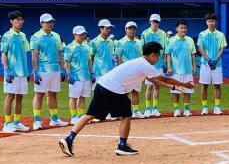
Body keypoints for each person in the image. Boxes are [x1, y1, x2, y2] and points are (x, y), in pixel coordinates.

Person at [59, 42, 194, 157]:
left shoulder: (139, 63)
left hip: (102, 85)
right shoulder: (145, 65)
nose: (158, 59)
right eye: (158, 56)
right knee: (126, 114)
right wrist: (184, 84)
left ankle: (69, 139)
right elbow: (163, 78)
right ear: (152, 55)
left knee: (89, 115)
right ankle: (122, 146)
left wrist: (174, 86)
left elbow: (154, 80)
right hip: (114, 89)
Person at [30, 13, 68, 130]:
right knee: (39, 94)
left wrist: (62, 69)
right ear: (41, 23)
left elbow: (60, 54)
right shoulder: (36, 37)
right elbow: (34, 56)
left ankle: (54, 119)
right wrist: (35, 71)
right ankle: (36, 121)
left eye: (51, 22)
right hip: (42, 70)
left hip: (55, 70)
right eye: (47, 22)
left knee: (53, 94)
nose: (50, 24)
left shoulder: (56, 36)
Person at [1, 11, 30, 132]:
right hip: (12, 72)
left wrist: (27, 72)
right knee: (10, 96)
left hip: (22, 72)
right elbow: (4, 54)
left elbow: (25, 52)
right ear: (11, 21)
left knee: (20, 97)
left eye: (22, 19)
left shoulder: (23, 35)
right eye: (18, 20)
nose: (20, 22)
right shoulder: (6, 35)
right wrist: (7, 70)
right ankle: (7, 123)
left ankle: (17, 122)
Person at [197, 13, 227, 115]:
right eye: (209, 21)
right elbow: (201, 48)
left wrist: (216, 59)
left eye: (212, 21)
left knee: (217, 85)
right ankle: (204, 107)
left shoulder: (220, 35)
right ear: (206, 22)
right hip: (205, 64)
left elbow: (222, 48)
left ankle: (217, 107)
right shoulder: (202, 34)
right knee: (204, 86)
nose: (211, 23)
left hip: (217, 65)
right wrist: (208, 60)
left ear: (215, 22)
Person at [64, 26, 94, 125]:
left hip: (86, 77)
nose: (82, 36)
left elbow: (89, 61)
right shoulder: (69, 47)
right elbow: (67, 62)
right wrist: (69, 75)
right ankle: (74, 117)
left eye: (83, 34)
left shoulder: (86, 46)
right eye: (80, 34)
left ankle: (80, 116)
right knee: (73, 97)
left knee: (82, 97)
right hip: (75, 77)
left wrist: (92, 73)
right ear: (75, 35)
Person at [166, 21, 196, 117]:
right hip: (175, 70)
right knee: (175, 91)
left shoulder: (190, 40)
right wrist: (169, 67)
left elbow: (192, 55)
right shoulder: (171, 40)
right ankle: (176, 110)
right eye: (181, 28)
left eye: (185, 28)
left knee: (187, 91)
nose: (183, 30)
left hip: (188, 70)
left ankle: (186, 110)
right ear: (177, 29)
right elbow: (168, 55)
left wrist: (194, 67)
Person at [115, 21, 145, 118]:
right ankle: (123, 111)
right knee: (124, 92)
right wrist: (120, 70)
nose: (132, 30)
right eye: (130, 28)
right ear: (126, 30)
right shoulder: (121, 42)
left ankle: (135, 111)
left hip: (137, 71)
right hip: (125, 71)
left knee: (135, 91)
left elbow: (142, 56)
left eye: (133, 29)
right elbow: (118, 57)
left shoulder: (140, 42)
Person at [141, 14, 168, 118]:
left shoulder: (163, 34)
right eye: (153, 21)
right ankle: (147, 109)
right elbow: (142, 50)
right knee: (149, 86)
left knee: (157, 86)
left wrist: (165, 61)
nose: (155, 23)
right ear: (150, 22)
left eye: (157, 22)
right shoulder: (145, 33)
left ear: (159, 23)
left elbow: (165, 49)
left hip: (159, 64)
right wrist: (144, 63)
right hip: (148, 64)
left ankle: (155, 109)